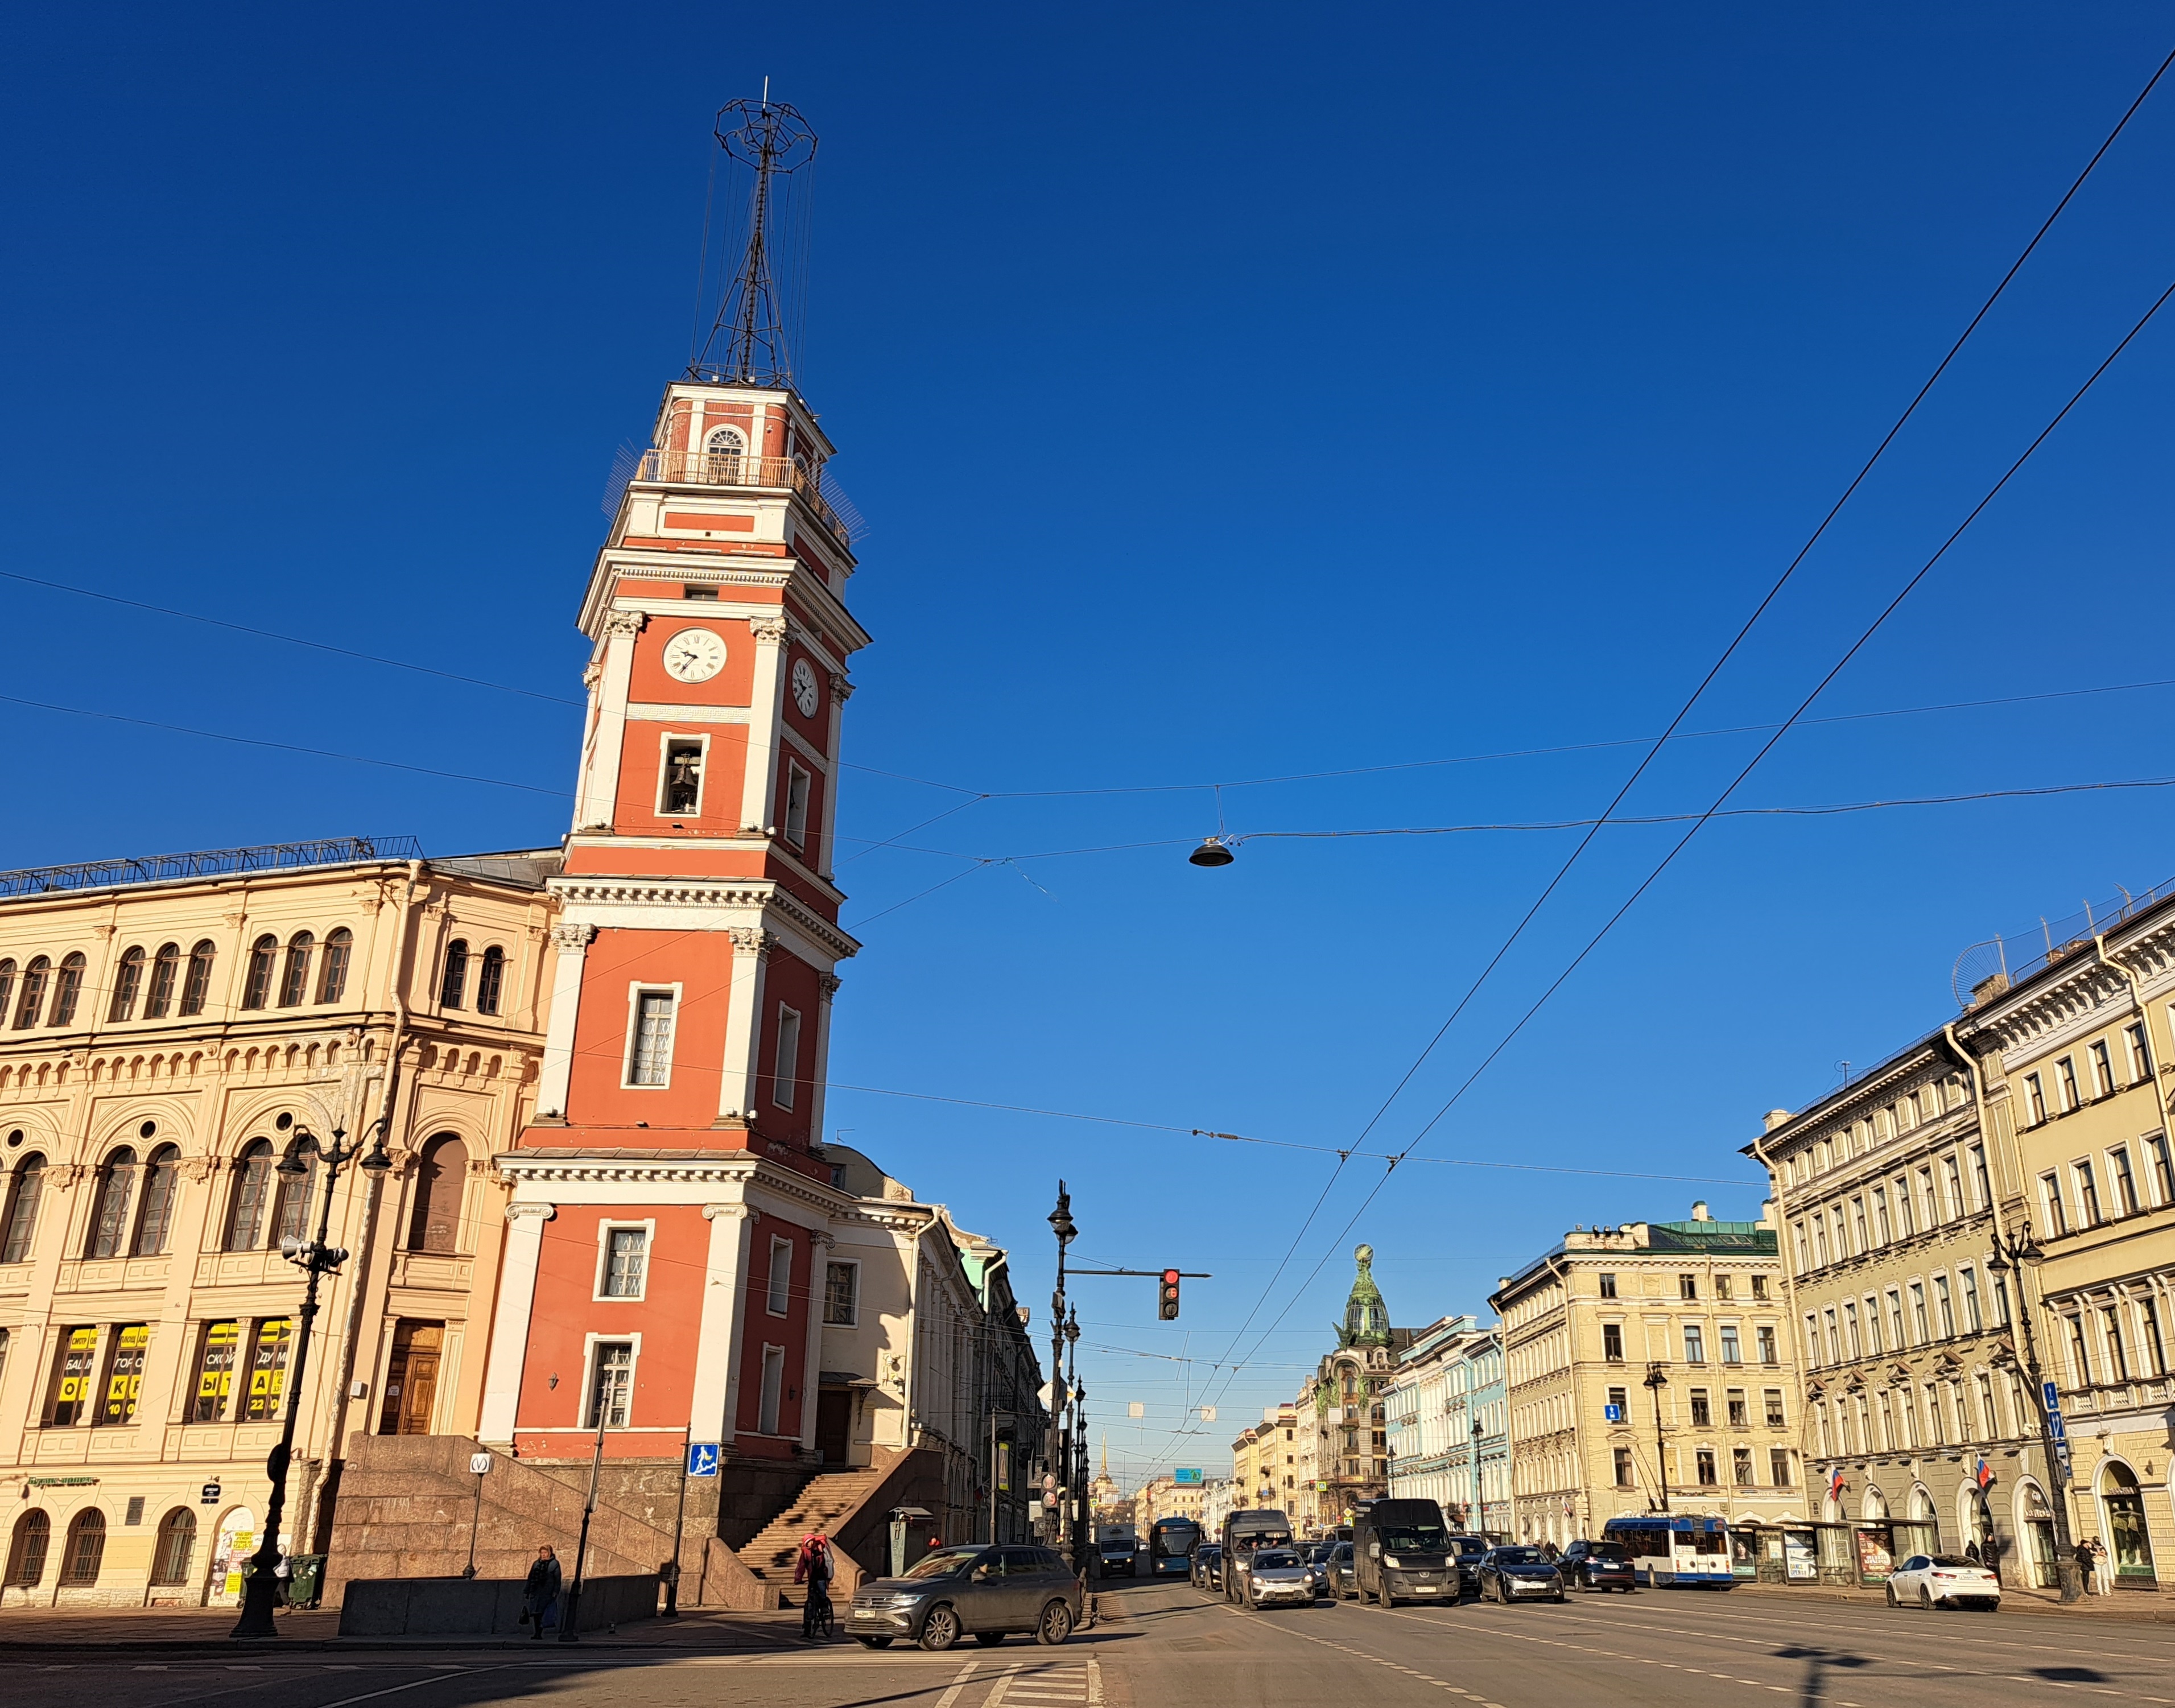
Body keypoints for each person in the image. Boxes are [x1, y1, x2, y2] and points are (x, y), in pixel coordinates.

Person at [795, 1527, 835, 1640]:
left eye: (811, 1541)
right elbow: (801, 1566)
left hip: (822, 1576)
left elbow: (828, 1562)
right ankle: (807, 1628)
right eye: (808, 1542)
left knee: (822, 1593)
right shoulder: (805, 1552)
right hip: (812, 1578)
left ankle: (825, 1609)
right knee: (810, 1603)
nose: (810, 1544)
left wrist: (829, 1576)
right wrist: (798, 1579)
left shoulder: (821, 1549)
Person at [524, 1545, 563, 1639]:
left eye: (545, 1553)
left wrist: (555, 1591)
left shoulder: (554, 1564)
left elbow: (557, 1579)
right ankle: (536, 1632)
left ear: (549, 1553)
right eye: (542, 1553)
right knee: (535, 1614)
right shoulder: (536, 1564)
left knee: (542, 1613)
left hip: (547, 1593)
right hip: (535, 1592)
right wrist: (527, 1590)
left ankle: (539, 1633)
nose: (543, 1555)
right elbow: (530, 1578)